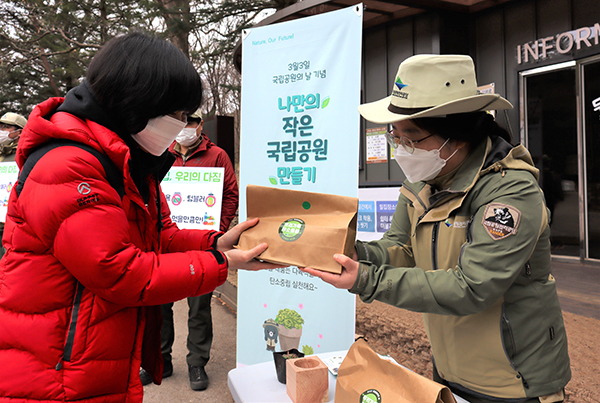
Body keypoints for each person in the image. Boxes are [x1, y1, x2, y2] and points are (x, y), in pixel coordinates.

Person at [0, 32, 277, 403]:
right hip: (54, 373)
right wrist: (220, 264)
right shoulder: (70, 164)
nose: (182, 126)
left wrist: (215, 243)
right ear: (141, 101)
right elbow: (118, 271)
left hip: (92, 356)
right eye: (177, 114)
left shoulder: (127, 162)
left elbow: (158, 237)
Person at [303, 54, 570, 403]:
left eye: (411, 138)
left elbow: (473, 286)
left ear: (456, 136)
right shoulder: (421, 181)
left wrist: (366, 279)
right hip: (448, 370)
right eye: (394, 136)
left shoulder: (509, 190)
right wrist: (356, 254)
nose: (401, 149)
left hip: (514, 383)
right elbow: (399, 248)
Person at [140, 109, 239, 390]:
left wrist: (216, 229)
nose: (185, 127)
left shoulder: (217, 155)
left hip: (202, 244)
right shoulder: (160, 154)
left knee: (199, 305)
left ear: (200, 125)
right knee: (161, 303)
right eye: (181, 122)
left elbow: (230, 193)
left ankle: (197, 363)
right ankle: (161, 360)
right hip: (165, 242)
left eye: (192, 122)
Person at [0, 112, 27, 258]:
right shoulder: (1, 154)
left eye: (6, 127)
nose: (1, 131)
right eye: (0, 127)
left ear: (20, 131)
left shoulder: (26, 154)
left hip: (13, 223)